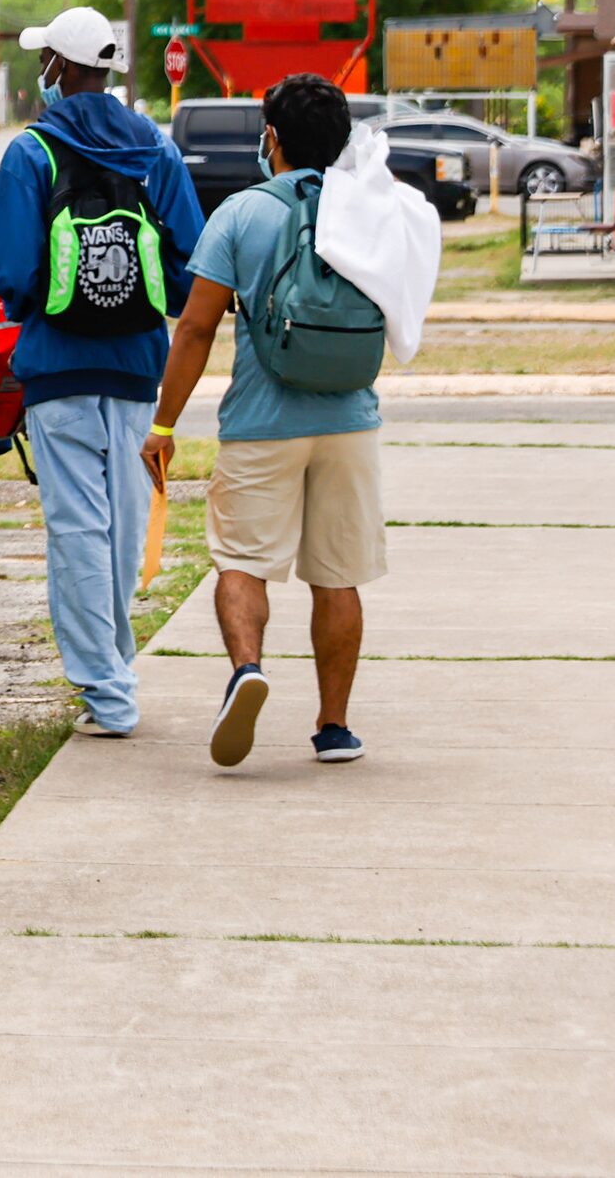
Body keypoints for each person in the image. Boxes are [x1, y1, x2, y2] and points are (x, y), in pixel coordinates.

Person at [145, 74, 412, 766]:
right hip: (350, 417)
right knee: (337, 574)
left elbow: (196, 330)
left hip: (262, 422)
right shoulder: (369, 212)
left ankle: (247, 670)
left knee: (241, 562)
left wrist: (164, 424)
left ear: (271, 138)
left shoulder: (240, 213)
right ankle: (333, 727)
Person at [0, 5, 203, 737]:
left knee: (76, 527)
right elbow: (190, 266)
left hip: (56, 368)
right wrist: (147, 298)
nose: (37, 70)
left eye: (42, 58)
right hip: (139, 366)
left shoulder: (30, 154)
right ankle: (114, 672)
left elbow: (8, 272)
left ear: (61, 68)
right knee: (123, 523)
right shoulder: (155, 149)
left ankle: (107, 690)